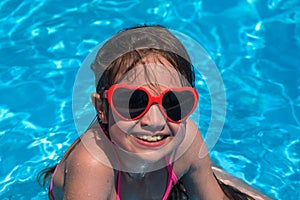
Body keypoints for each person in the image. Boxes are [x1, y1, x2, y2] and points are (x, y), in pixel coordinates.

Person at [38, 25, 254, 200]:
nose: (155, 121)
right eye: (135, 103)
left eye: (173, 102)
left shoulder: (186, 141)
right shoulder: (93, 166)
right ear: (102, 108)